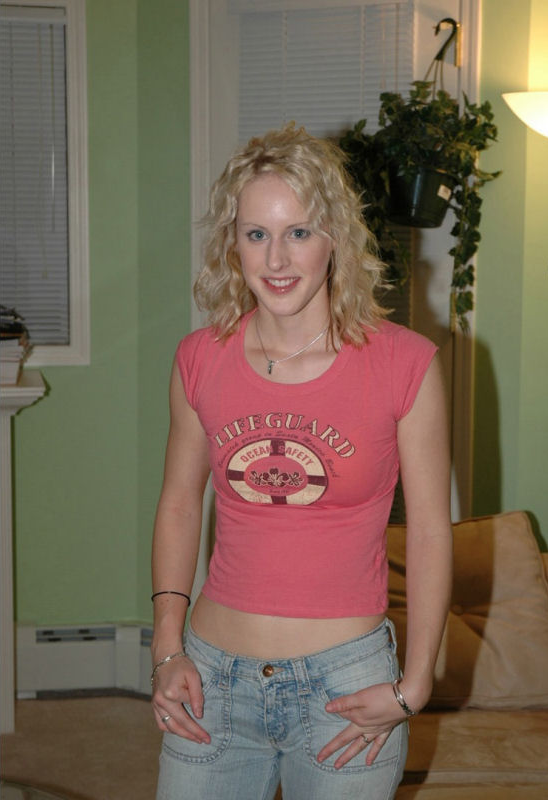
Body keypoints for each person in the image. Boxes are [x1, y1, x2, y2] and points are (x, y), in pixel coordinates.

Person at [150, 124, 452, 800]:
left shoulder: (404, 364)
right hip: (212, 682)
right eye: (257, 233)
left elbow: (432, 532)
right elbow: (178, 503)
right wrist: (167, 646)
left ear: (335, 237)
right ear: (231, 243)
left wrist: (415, 684)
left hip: (345, 690)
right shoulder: (199, 358)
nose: (277, 258)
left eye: (299, 232)